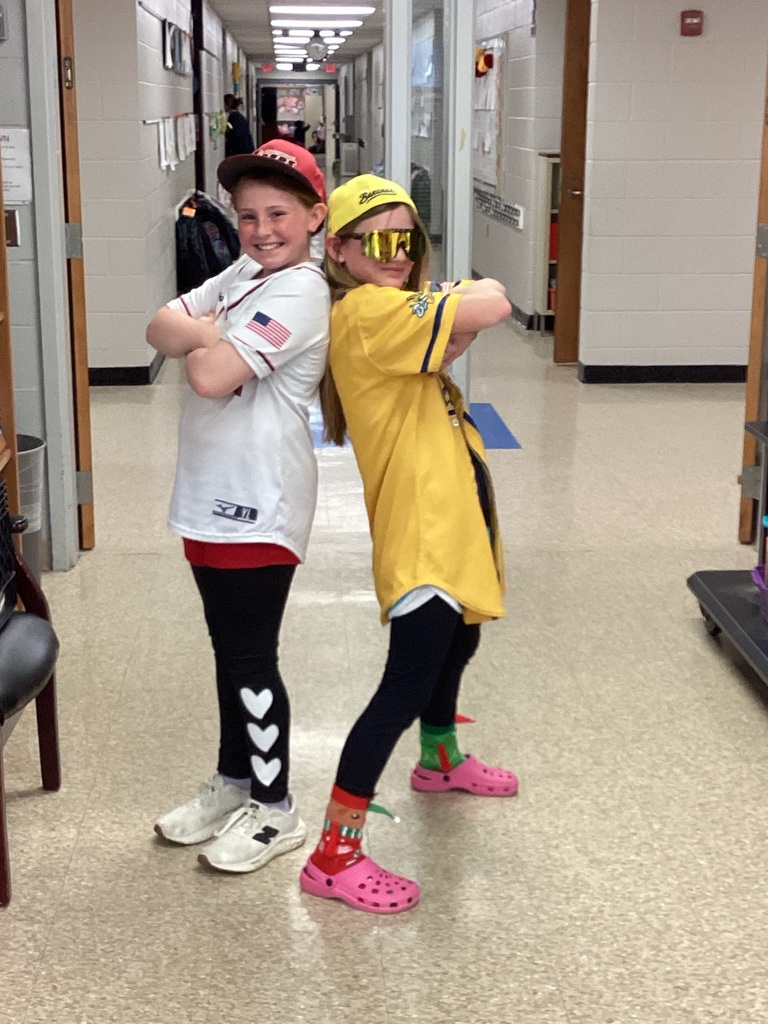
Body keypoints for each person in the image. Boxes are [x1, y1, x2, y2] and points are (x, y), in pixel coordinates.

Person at [298, 174, 518, 914]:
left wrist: (451, 306)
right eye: (382, 241)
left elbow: (454, 335)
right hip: (424, 534)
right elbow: (492, 305)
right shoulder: (366, 310)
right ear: (340, 251)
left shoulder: (389, 312)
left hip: (452, 517)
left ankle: (440, 760)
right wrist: (467, 287)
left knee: (459, 646)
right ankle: (334, 854)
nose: (398, 255)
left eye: (409, 241)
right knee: (402, 685)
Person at [146, 141, 329, 874]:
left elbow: (209, 376)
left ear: (316, 215)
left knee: (251, 657)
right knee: (229, 652)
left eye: (279, 213)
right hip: (207, 497)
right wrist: (205, 333)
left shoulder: (301, 291)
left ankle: (276, 807)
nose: (261, 229)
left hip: (259, 501)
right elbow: (160, 327)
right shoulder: (248, 271)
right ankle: (233, 784)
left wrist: (205, 336)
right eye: (248, 214)